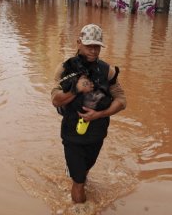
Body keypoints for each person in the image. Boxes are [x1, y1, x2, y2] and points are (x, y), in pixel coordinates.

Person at [51, 24, 127, 203]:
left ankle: (78, 173)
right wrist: (75, 90)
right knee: (78, 182)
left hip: (97, 133)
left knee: (85, 171)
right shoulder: (64, 69)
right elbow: (55, 100)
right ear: (79, 43)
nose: (93, 50)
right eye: (89, 46)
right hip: (72, 134)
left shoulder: (107, 71)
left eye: (97, 46)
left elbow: (122, 101)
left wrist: (100, 114)